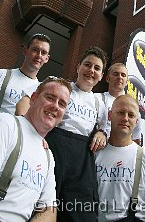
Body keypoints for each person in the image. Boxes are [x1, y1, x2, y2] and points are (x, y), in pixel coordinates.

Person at [0, 75, 72, 222]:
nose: (55, 106)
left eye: (62, 104)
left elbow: (48, 211)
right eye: (50, 98)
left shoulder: (48, 156)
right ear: (33, 98)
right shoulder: (4, 124)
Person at [44, 46, 108, 222]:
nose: (91, 70)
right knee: (43, 205)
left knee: (79, 212)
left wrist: (102, 133)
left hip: (82, 159)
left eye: (97, 68)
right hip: (53, 150)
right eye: (87, 65)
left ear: (101, 76)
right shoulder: (62, 88)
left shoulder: (99, 103)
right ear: (78, 67)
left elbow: (104, 129)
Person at [95, 94, 145, 222]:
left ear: (136, 121)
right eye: (121, 113)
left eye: (131, 115)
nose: (125, 118)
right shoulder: (93, 155)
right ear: (110, 115)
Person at [95, 63, 142, 144]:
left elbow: (136, 138)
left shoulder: (133, 106)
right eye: (116, 74)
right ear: (107, 78)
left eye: (123, 75)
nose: (119, 77)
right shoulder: (96, 99)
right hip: (98, 149)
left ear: (127, 82)